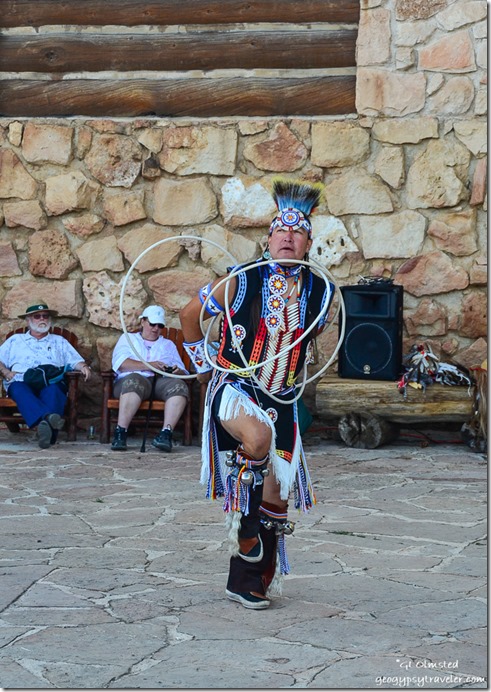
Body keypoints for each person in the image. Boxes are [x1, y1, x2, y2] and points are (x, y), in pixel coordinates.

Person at [180, 179, 334, 610]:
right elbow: (190, 314)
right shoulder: (240, 281)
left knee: (277, 494)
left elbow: (307, 341)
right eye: (280, 230)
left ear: (308, 242)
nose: (288, 236)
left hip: (282, 398)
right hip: (236, 388)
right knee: (258, 439)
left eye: (298, 231)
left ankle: (248, 581)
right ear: (268, 238)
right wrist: (202, 365)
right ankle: (245, 532)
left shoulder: (321, 294)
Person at [0, 301, 92, 449]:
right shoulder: (15, 340)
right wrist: (5, 372)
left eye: (45, 316)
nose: (42, 319)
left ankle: (45, 426)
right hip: (21, 380)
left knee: (54, 391)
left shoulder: (59, 341)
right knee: (17, 389)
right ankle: (48, 420)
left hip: (50, 381)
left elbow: (75, 360)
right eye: (37, 316)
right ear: (28, 321)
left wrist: (84, 367)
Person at [110, 305, 189, 452]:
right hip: (133, 379)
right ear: (143, 322)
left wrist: (177, 372)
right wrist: (149, 365)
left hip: (160, 381)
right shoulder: (128, 339)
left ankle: (166, 434)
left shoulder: (168, 344)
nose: (156, 328)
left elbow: (183, 371)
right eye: (152, 324)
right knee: (134, 381)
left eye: (160, 326)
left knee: (179, 386)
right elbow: (121, 364)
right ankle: (121, 432)